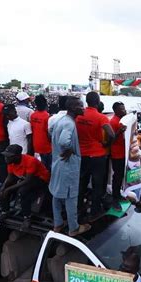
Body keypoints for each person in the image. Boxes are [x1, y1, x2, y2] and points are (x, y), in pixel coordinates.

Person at [49, 97, 91, 237]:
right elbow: (63, 141)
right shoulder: (69, 124)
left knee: (56, 194)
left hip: (57, 164)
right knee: (71, 197)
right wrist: (70, 149)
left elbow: (50, 133)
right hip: (68, 167)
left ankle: (58, 224)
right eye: (80, 106)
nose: (83, 108)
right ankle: (73, 228)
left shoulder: (60, 120)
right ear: (73, 108)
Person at [76, 92, 114, 220]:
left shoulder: (78, 115)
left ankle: (79, 209)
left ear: (86, 101)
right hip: (98, 155)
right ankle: (94, 211)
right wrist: (105, 143)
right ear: (97, 102)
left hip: (82, 154)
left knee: (82, 183)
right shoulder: (101, 117)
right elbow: (112, 134)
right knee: (97, 185)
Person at [0, 144, 49, 228]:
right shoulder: (10, 161)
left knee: (22, 192)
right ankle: (5, 211)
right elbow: (10, 176)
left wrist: (8, 189)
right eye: (5, 156)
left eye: (8, 156)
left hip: (39, 178)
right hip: (24, 176)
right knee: (2, 190)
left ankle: (27, 217)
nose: (5, 158)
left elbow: (28, 180)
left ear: (17, 156)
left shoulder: (30, 161)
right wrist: (4, 188)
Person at [109, 101, 127, 211]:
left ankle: (118, 194)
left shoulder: (121, 120)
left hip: (122, 152)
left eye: (124, 108)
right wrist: (119, 132)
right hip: (116, 154)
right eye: (121, 109)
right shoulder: (113, 122)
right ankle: (115, 197)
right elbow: (111, 139)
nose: (124, 110)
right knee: (117, 175)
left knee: (120, 175)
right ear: (116, 110)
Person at [30, 95, 52, 171]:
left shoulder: (33, 115)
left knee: (40, 167)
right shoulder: (47, 116)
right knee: (47, 167)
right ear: (45, 104)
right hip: (46, 146)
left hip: (36, 144)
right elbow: (49, 133)